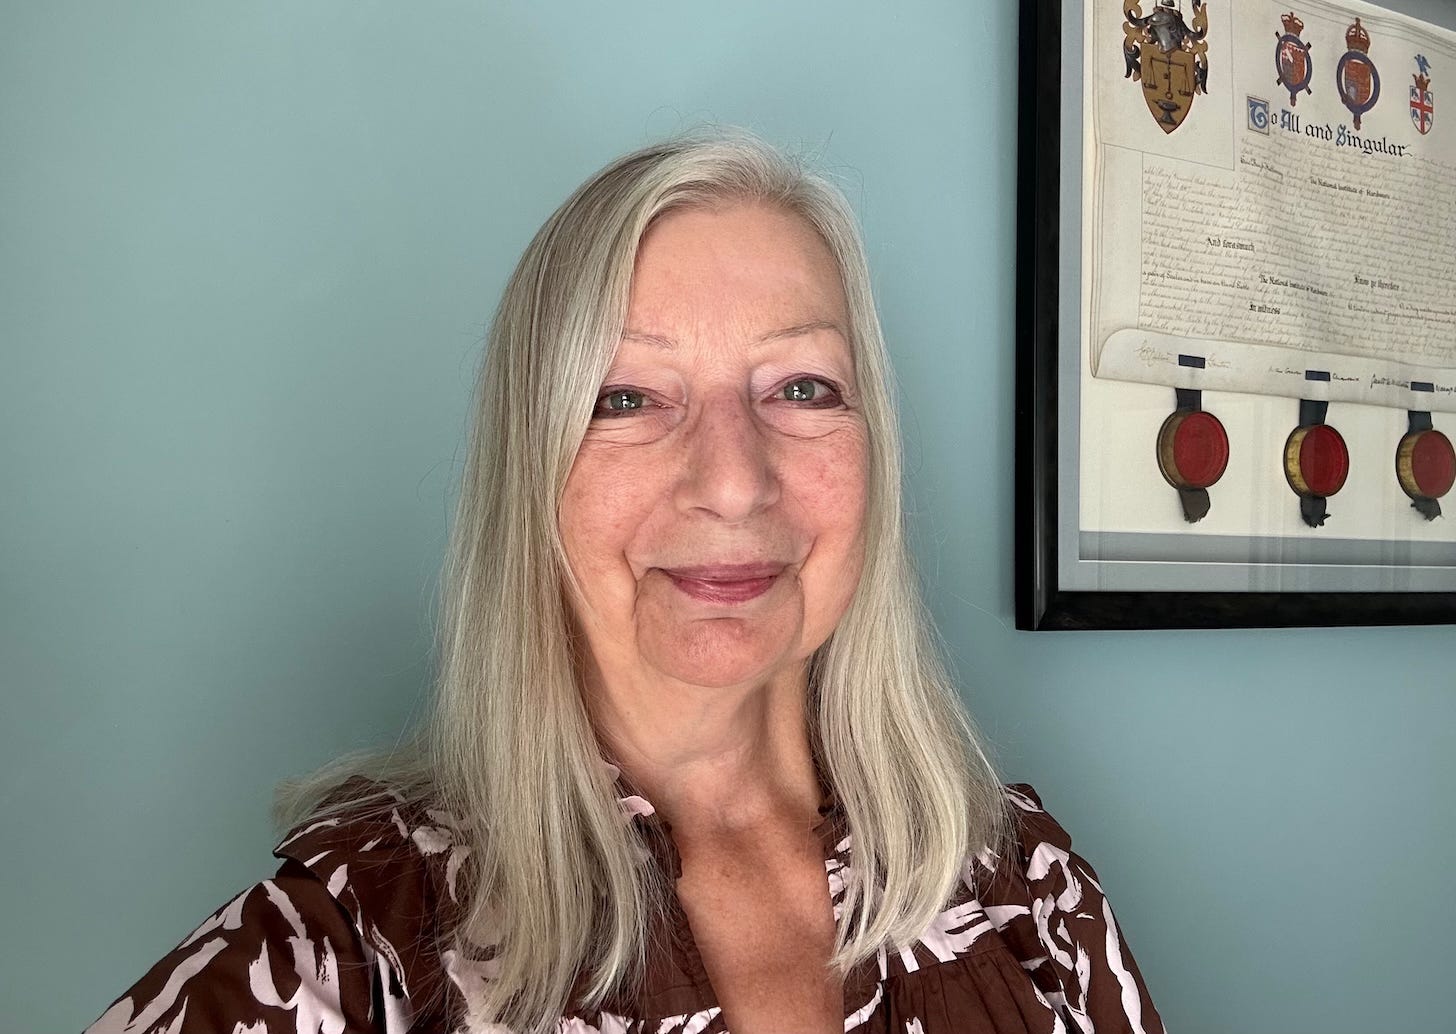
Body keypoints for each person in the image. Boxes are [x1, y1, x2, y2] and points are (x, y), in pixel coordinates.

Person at [86, 132, 1164, 1034]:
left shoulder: (1026, 888)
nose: (733, 482)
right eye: (627, 398)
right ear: (531, 473)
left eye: (801, 387)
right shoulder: (348, 949)